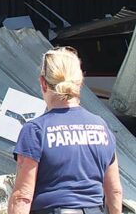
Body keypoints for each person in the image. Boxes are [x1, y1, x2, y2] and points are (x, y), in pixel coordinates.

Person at [9, 46, 123, 214]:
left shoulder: (35, 131)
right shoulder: (101, 127)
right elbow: (114, 191)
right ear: (80, 81)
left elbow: (23, 197)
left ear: (43, 83)